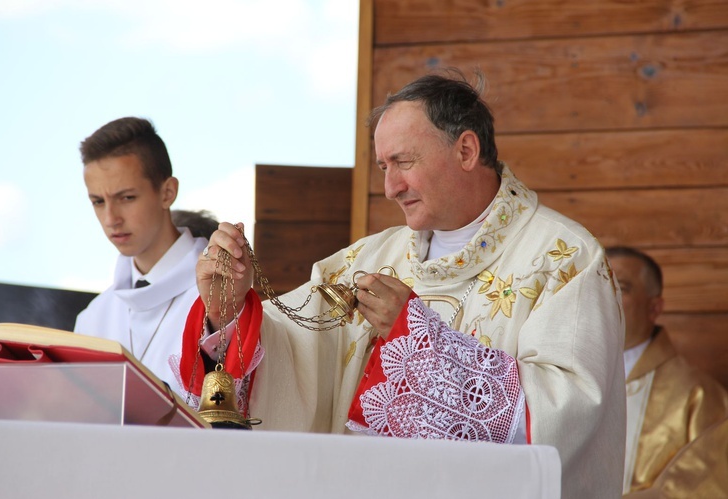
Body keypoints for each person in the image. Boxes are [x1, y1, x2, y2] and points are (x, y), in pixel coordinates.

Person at [181, 70, 625, 499]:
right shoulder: (367, 261)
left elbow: (567, 413)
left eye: (404, 162)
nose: (391, 186)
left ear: (466, 151)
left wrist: (415, 342)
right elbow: (294, 353)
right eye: (382, 167)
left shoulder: (563, 258)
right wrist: (229, 310)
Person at [74, 117, 207, 397]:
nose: (111, 219)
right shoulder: (93, 318)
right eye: (98, 201)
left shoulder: (217, 299)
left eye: (127, 198)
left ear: (167, 192)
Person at [606, 246, 728, 496]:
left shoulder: (698, 395)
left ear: (654, 308)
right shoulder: (563, 380)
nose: (605, 296)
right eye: (598, 284)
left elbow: (705, 487)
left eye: (622, 287)